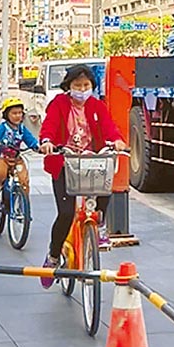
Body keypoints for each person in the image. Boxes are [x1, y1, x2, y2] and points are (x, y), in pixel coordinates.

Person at [39, 64, 126, 288]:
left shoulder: (97, 106)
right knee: (66, 213)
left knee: (105, 187)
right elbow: (48, 126)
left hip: (90, 161)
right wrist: (47, 141)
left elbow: (109, 127)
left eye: (86, 85)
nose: (82, 89)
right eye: (77, 85)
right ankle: (53, 256)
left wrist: (116, 140)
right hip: (64, 162)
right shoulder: (58, 104)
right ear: (68, 86)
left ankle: (101, 225)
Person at [0, 97, 40, 208]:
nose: (17, 116)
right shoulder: (3, 127)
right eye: (14, 113)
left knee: (23, 179)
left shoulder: (22, 129)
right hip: (2, 158)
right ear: (6, 115)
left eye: (20, 113)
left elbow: (30, 140)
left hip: (16, 158)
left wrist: (37, 147)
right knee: (0, 174)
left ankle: (23, 205)